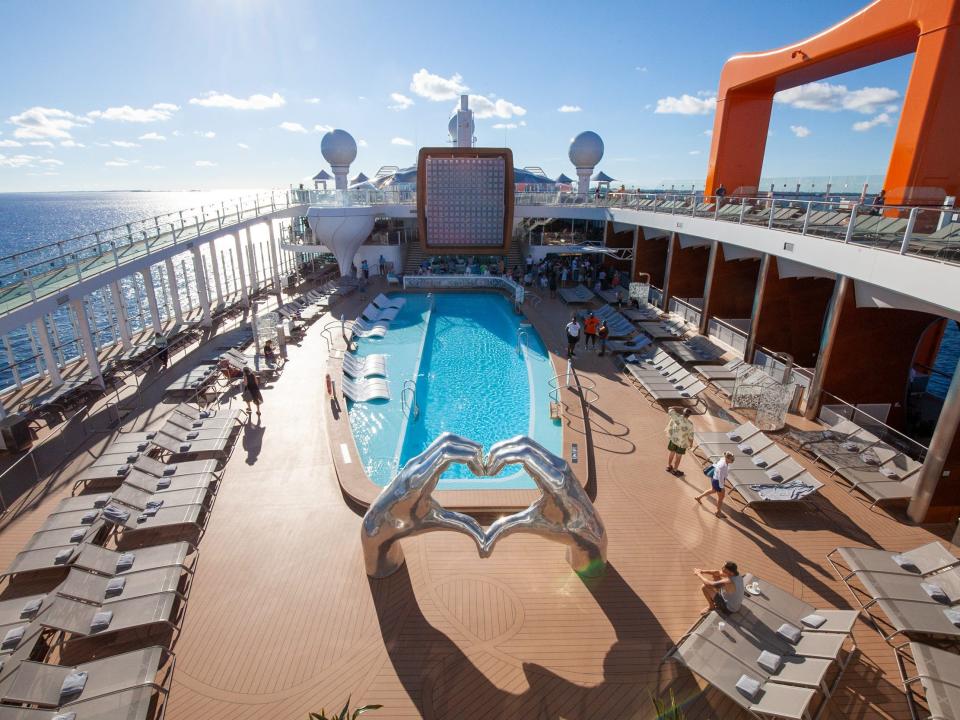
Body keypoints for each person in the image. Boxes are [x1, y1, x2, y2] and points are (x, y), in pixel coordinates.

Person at [695, 451, 734, 517]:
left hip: (714, 478)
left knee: (713, 490)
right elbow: (721, 477)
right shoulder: (723, 465)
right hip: (718, 481)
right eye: (732, 459)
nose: (733, 461)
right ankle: (718, 512)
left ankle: (699, 497)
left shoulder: (723, 459)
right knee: (721, 497)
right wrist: (721, 487)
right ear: (727, 458)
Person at [664, 407, 694, 474]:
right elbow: (691, 436)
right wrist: (691, 444)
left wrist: (679, 408)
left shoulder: (676, 417)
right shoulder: (690, 424)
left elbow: (670, 409)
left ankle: (668, 466)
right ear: (689, 415)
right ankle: (675, 470)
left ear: (683, 412)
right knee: (678, 456)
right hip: (682, 443)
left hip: (674, 440)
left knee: (672, 453)